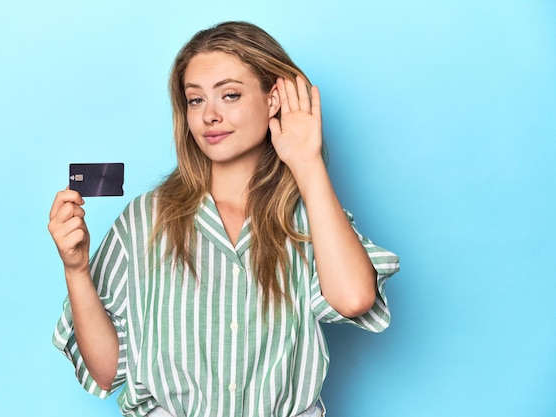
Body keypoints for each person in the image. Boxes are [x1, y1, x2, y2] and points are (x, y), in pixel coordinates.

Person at [49, 21, 399, 417]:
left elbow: (354, 299)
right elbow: (107, 371)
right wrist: (76, 269)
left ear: (273, 100)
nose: (209, 116)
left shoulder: (308, 218)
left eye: (229, 95)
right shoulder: (146, 219)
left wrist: (307, 162)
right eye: (195, 100)